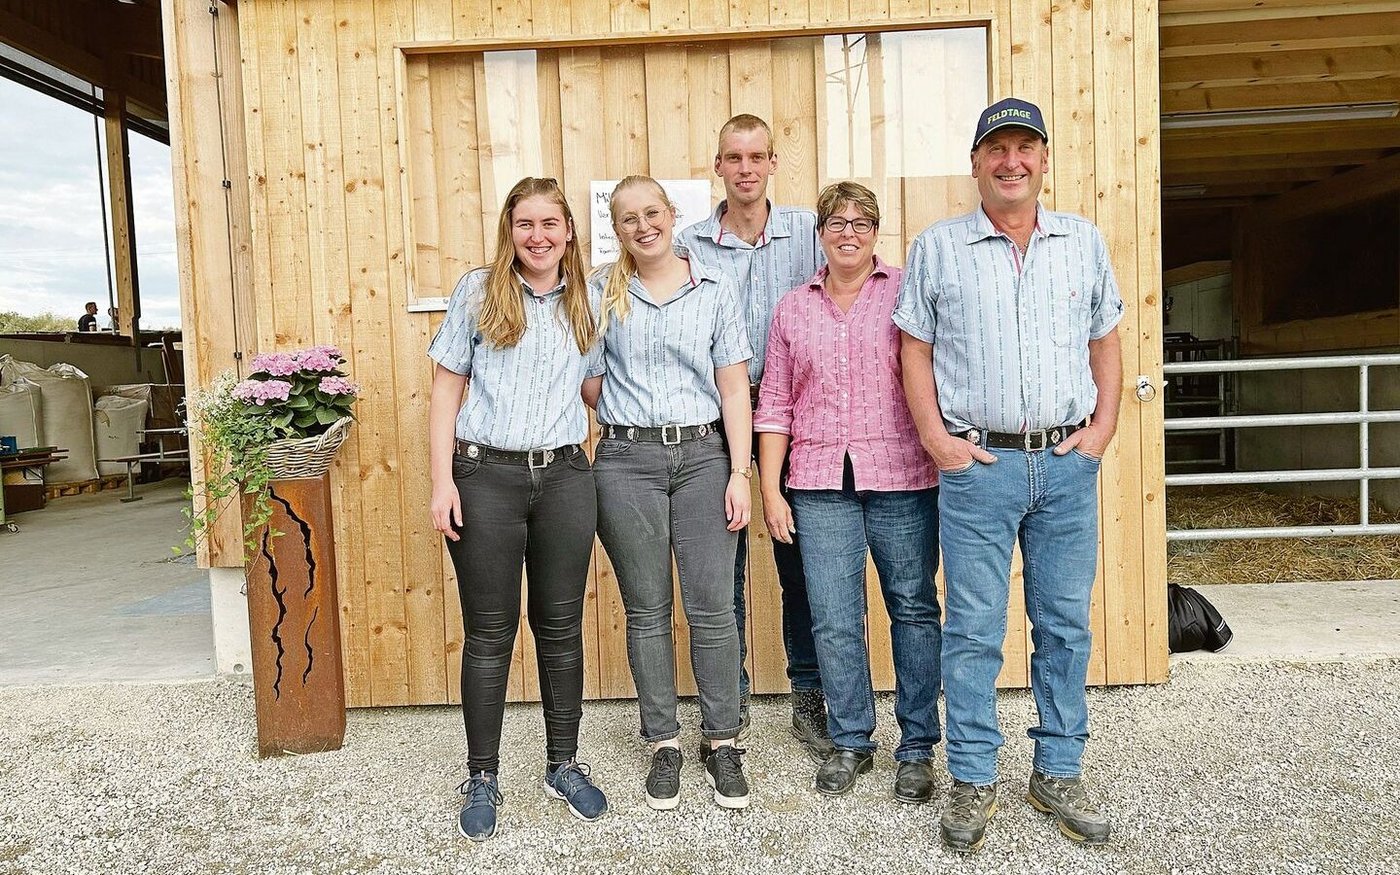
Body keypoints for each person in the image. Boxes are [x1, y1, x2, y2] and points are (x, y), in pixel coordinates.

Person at [894, 97, 1125, 851]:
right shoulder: (939, 247)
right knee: (973, 630)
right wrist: (936, 437)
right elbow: (915, 350)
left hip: (1065, 466)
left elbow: (1106, 342)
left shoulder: (1082, 242)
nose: (1011, 161)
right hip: (977, 468)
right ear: (976, 162)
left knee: (1063, 623)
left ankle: (1057, 768)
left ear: (1044, 160)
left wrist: (1101, 432)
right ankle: (972, 776)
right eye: (997, 148)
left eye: (1026, 147)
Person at [427, 176, 608, 842]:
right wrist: (441, 481)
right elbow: (446, 390)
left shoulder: (586, 300)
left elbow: (592, 387)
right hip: (486, 476)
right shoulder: (478, 291)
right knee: (490, 633)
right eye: (525, 224)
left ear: (568, 231)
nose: (538, 236)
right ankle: (482, 774)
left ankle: (564, 762)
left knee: (560, 629)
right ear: (510, 229)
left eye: (550, 224)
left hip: (563, 475)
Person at [755, 182, 943, 802]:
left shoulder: (906, 291)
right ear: (821, 231)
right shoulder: (792, 308)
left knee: (912, 609)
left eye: (862, 223)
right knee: (834, 616)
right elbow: (775, 403)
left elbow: (937, 371)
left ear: (876, 232)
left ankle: (917, 746)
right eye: (837, 222)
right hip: (815, 482)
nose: (849, 233)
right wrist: (771, 490)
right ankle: (851, 738)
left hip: (903, 476)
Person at [584, 175, 754, 811]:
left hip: (705, 457)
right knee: (648, 609)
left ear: (671, 214)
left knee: (712, 606)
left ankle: (723, 740)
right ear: (617, 227)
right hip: (627, 461)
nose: (642, 226)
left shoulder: (714, 287)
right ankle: (663, 742)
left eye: (651, 213)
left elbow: (734, 387)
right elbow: (592, 383)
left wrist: (740, 472)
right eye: (627, 219)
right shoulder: (603, 293)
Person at [676, 113, 831, 762]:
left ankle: (809, 699)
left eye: (756, 156)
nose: (745, 168)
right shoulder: (689, 243)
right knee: (726, 575)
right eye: (733, 157)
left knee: (804, 571)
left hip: (800, 421)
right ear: (718, 166)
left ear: (772, 162)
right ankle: (729, 707)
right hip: (721, 426)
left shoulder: (808, 235)